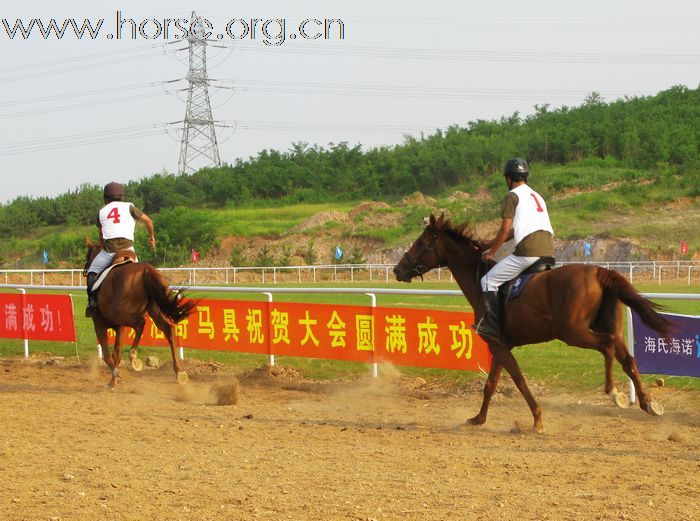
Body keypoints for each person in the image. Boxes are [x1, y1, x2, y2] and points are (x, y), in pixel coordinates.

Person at [475, 158, 554, 342]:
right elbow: (516, 230)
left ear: (509, 178)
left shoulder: (512, 196)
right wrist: (490, 243)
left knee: (488, 281)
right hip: (548, 250)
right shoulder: (536, 195)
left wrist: (492, 252)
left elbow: (505, 229)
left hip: (529, 251)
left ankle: (493, 327)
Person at [84, 182, 156, 317]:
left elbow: (101, 235)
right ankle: (148, 303)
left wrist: (102, 245)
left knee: (92, 272)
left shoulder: (101, 212)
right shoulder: (130, 207)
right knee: (141, 275)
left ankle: (92, 302)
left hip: (109, 251)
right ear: (121, 196)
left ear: (105, 198)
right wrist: (151, 238)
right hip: (129, 249)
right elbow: (148, 221)